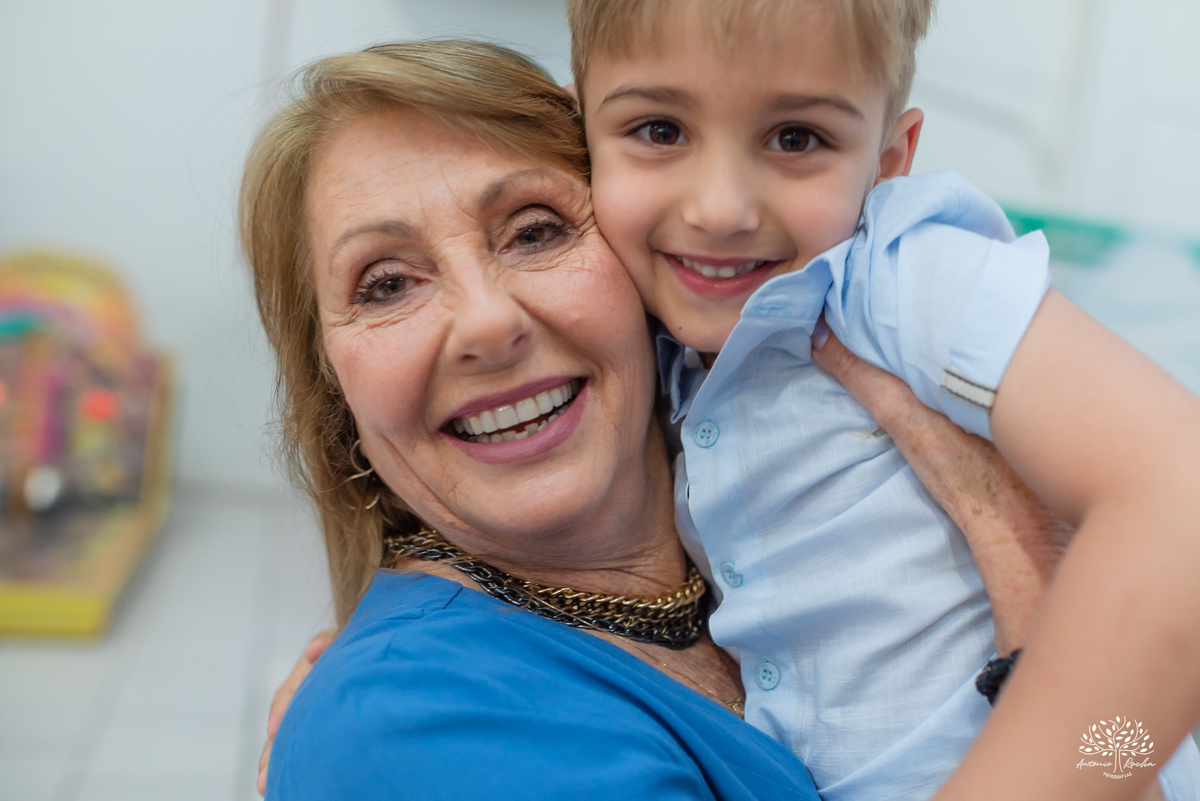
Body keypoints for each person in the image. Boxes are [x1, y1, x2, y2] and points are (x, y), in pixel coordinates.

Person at [243, 41, 1068, 800]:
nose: (489, 323)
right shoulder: (409, 726)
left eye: (535, 230)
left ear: (656, 255)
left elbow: (1146, 740)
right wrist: (1028, 573)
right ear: (334, 389)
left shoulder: (798, 518)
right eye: (386, 284)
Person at [567, 0, 1200, 799]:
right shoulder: (648, 357)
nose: (719, 207)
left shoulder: (900, 277)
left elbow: (1181, 488)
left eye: (796, 138)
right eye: (660, 130)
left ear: (890, 158)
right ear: (579, 128)